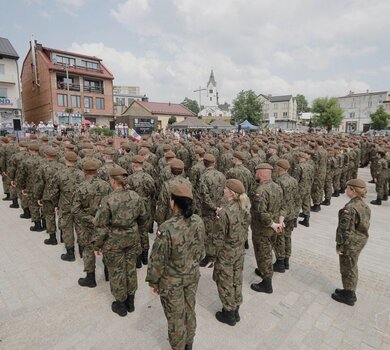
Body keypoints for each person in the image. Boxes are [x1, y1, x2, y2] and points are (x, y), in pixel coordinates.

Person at [146, 183, 205, 350]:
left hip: (172, 281)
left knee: (175, 317)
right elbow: (201, 249)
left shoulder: (167, 227)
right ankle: (189, 343)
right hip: (192, 276)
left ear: (173, 202)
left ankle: (178, 346)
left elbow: (157, 259)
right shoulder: (198, 221)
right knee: (189, 309)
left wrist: (154, 282)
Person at [93, 167, 147, 317]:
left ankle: (121, 305)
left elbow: (101, 226)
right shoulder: (135, 196)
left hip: (114, 241)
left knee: (117, 272)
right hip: (132, 238)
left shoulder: (108, 199)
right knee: (130, 269)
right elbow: (143, 218)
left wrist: (97, 245)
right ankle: (131, 301)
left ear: (113, 181)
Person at [213, 179, 251, 326]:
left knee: (225, 281)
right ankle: (236, 309)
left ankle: (228, 313)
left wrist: (212, 254)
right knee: (237, 278)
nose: (223, 190)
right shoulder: (243, 207)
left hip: (226, 252)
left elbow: (219, 237)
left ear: (230, 192)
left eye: (225, 189)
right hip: (239, 249)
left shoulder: (225, 212)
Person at [332, 179, 371, 306]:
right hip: (360, 240)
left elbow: (346, 231)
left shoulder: (350, 208)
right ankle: (348, 290)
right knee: (352, 266)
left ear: (353, 190)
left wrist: (340, 246)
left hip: (350, 243)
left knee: (348, 268)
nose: (345, 190)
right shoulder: (363, 204)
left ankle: (349, 295)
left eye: (347, 188)